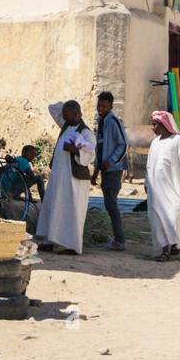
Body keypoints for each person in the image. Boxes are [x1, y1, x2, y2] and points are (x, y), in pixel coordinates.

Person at [35, 100, 95, 255]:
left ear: (78, 114)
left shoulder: (86, 132)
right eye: (65, 116)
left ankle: (72, 246)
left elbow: (90, 155)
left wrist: (74, 150)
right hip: (58, 177)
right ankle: (50, 241)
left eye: (69, 115)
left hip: (73, 180)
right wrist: (67, 108)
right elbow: (52, 107)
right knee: (54, 207)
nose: (64, 118)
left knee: (71, 211)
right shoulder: (67, 125)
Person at [144, 110, 180, 262]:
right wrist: (146, 182)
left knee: (175, 215)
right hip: (155, 190)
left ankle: (177, 242)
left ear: (163, 125)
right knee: (157, 219)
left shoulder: (178, 141)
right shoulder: (154, 143)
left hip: (173, 188)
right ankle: (165, 250)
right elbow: (149, 165)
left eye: (154, 125)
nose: (152, 128)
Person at [91, 91, 130, 251]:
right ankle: (117, 238)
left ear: (111, 106)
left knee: (111, 204)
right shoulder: (101, 122)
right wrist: (96, 171)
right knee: (108, 204)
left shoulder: (113, 121)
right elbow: (99, 148)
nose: (100, 108)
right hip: (105, 170)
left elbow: (123, 145)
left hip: (114, 170)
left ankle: (120, 240)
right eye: (99, 105)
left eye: (104, 106)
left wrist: (111, 161)